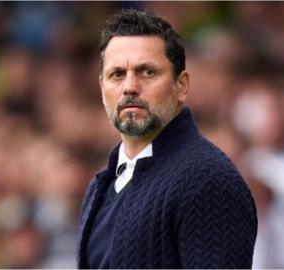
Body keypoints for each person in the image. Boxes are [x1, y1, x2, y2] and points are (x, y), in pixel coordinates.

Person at [77, 9, 257, 269]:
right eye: (117, 74)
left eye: (147, 72)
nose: (129, 86)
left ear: (181, 85)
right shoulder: (100, 187)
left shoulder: (208, 180)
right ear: (102, 88)